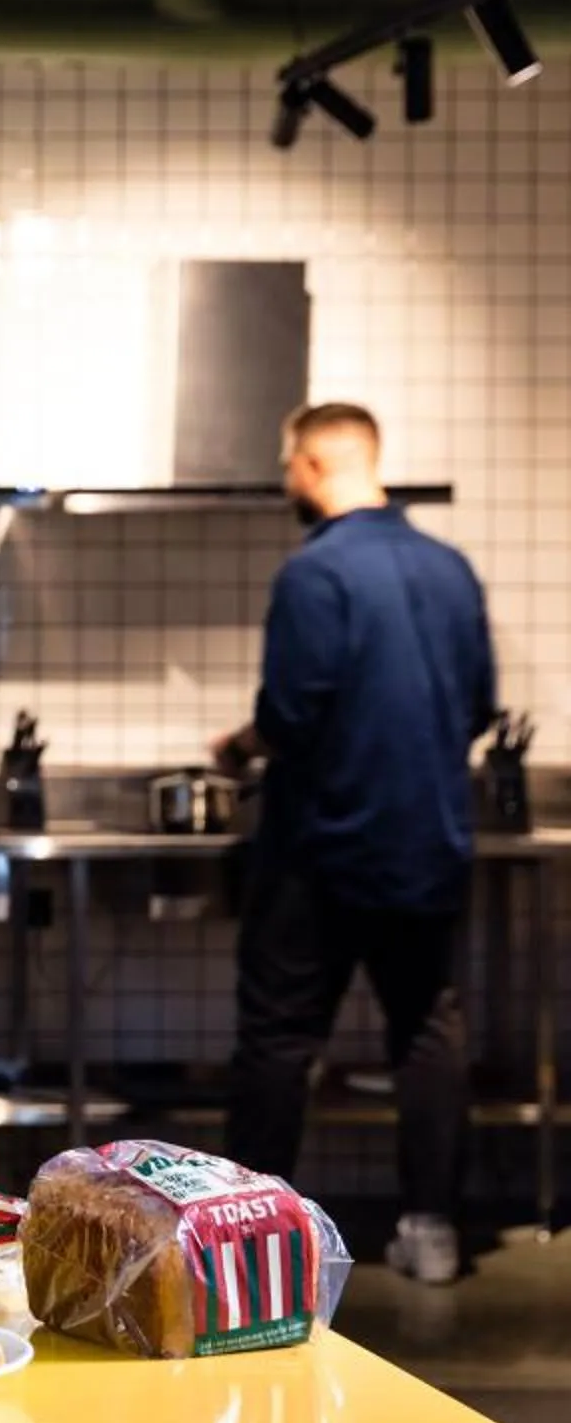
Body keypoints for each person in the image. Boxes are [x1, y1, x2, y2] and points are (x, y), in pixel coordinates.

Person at [210, 402, 494, 1287]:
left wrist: (239, 747)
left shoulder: (315, 575)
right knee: (426, 1031)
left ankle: (255, 1247)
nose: (286, 480)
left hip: (321, 854)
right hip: (429, 845)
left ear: (318, 463)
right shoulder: (451, 570)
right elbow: (479, 705)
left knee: (280, 1039)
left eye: (289, 465)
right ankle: (434, 1229)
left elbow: (292, 715)